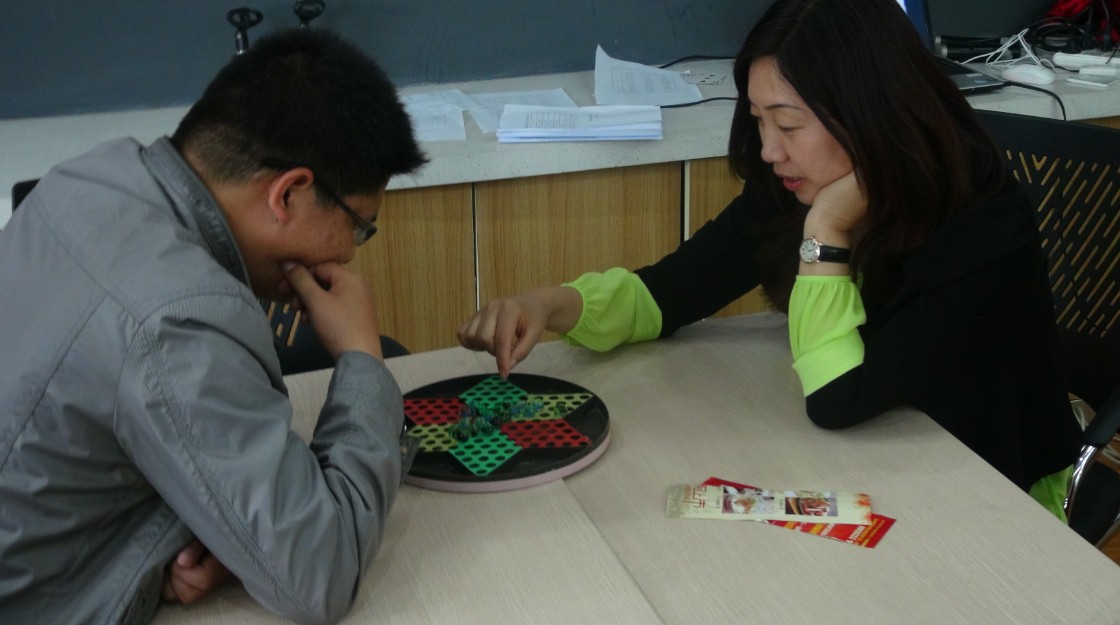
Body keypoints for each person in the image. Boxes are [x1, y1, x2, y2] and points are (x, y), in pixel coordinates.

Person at [458, 0, 1082, 519]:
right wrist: (548, 304)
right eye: (759, 121)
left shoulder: (983, 228)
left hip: (988, 492)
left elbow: (838, 399)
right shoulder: (796, 186)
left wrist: (827, 230)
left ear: (870, 116)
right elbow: (668, 293)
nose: (768, 151)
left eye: (788, 125)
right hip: (869, 463)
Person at [0, 28, 425, 625]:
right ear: (289, 194)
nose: (349, 254)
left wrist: (197, 531)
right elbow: (321, 572)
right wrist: (361, 357)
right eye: (358, 225)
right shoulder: (182, 316)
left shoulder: (91, 177)